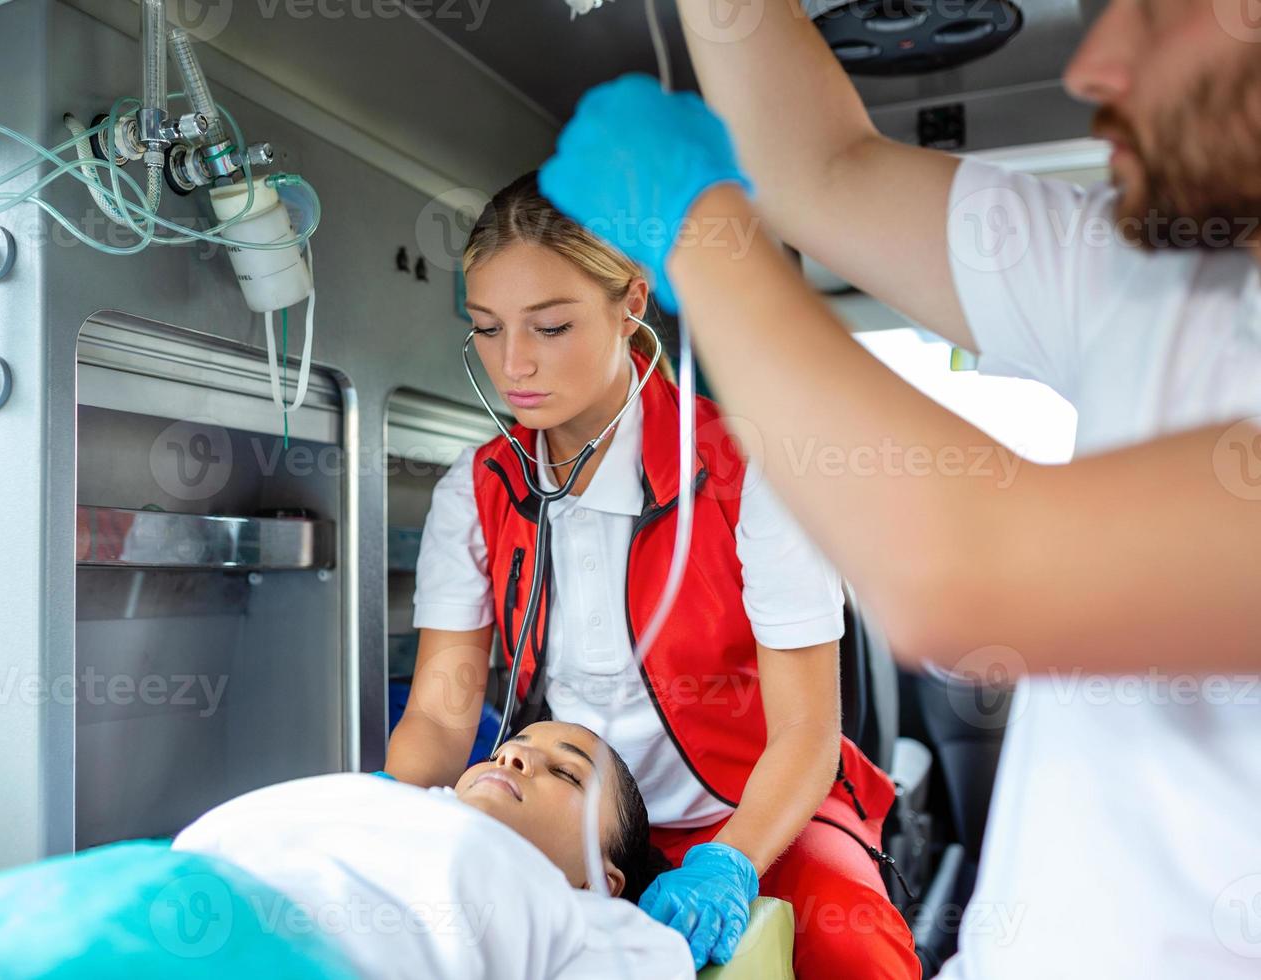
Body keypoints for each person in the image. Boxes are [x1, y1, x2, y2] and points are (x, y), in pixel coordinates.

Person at [534, 0, 1261, 974]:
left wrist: (697, 225)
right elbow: (815, 168)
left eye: (1159, 13)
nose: (1095, 66)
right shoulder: (1161, 271)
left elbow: (964, 575)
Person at [384, 172, 918, 977]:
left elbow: (808, 735)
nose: (513, 364)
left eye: (551, 326)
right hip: (584, 817)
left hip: (759, 805)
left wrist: (730, 861)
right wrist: (391, 824)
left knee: (849, 945)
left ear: (631, 304)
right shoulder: (480, 487)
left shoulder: (750, 470)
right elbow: (438, 712)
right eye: (486, 330)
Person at [174, 721, 693, 979]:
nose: (512, 754)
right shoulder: (376, 802)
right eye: (505, 748)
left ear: (600, 882)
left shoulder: (589, 922)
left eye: (566, 772)